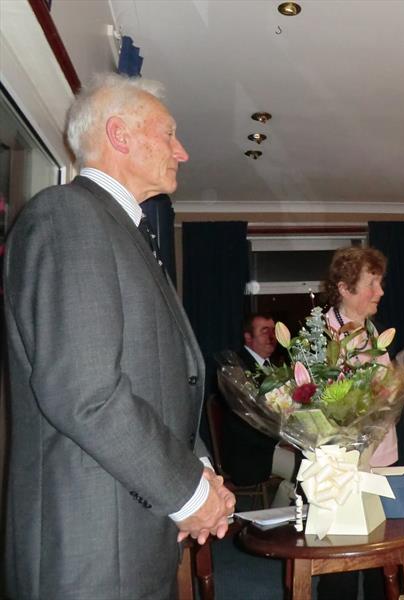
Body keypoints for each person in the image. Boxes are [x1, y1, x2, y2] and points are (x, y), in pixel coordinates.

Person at [3, 73, 235, 599]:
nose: (183, 151)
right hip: (89, 553)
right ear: (120, 134)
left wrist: (198, 472)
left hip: (130, 536)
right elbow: (85, 393)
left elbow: (164, 385)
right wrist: (185, 492)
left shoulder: (119, 231)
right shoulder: (68, 217)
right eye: (169, 133)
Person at [317, 245, 404, 600]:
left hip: (381, 456)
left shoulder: (370, 331)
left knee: (381, 553)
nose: (381, 291)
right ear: (345, 288)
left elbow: (382, 389)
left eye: (380, 282)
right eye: (372, 283)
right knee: (343, 558)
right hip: (345, 464)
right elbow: (319, 403)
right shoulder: (322, 335)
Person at [219, 312, 286, 486]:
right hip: (248, 452)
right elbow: (244, 422)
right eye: (265, 331)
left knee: (306, 470)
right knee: (306, 468)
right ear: (248, 337)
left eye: (273, 330)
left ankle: (276, 512)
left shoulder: (276, 367)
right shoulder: (235, 369)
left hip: (270, 446)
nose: (272, 336)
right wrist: (280, 442)